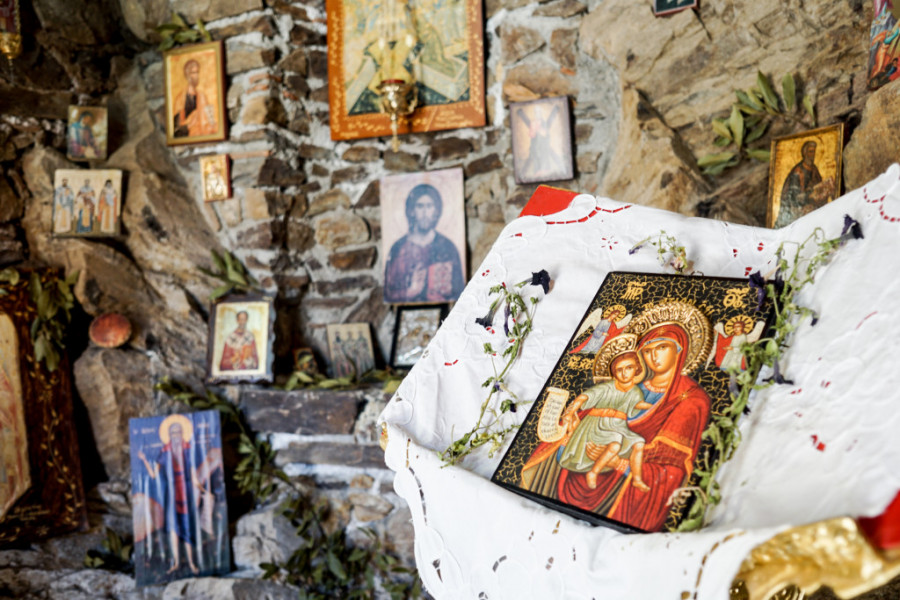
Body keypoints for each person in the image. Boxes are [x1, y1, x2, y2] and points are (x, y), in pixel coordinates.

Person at [521, 306, 712, 532]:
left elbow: (673, 467)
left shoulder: (690, 398)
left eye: (663, 347)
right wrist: (572, 426)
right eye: (648, 350)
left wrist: (618, 463)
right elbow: (593, 409)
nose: (655, 356)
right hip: (587, 463)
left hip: (624, 488)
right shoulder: (629, 386)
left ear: (680, 350)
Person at [556, 349, 654, 492]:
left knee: (639, 443)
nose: (624, 373)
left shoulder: (635, 392)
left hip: (619, 426)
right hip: (597, 424)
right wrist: (570, 411)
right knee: (615, 444)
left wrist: (658, 404)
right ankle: (594, 472)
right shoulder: (606, 387)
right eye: (619, 369)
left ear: (637, 369)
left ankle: (637, 479)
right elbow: (584, 397)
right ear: (614, 372)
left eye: (629, 368)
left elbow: (638, 404)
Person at [138, 419, 201, 575]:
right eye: (173, 433)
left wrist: (201, 488)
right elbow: (153, 475)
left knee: (186, 526)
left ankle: (192, 563)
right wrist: (145, 460)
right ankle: (176, 563)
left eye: (179, 432)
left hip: (185, 491)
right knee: (173, 527)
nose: (176, 436)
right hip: (172, 492)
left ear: (182, 433)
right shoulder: (164, 452)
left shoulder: (188, 449)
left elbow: (193, 476)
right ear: (169, 435)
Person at [384, 183, 464, 303]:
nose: (425, 212)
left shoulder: (448, 247)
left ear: (436, 211)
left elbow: (458, 291)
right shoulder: (398, 248)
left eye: (429, 206)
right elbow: (388, 293)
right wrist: (410, 292)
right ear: (411, 211)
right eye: (420, 206)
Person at [774, 141, 835, 228]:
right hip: (796, 210)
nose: (812, 154)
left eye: (814, 151)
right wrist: (809, 195)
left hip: (812, 206)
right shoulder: (798, 172)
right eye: (810, 151)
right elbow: (794, 197)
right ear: (804, 153)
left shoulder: (815, 170)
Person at [172, 59, 218, 138]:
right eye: (194, 73)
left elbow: (207, 120)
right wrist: (190, 124)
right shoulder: (180, 99)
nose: (197, 76)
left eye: (197, 72)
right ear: (188, 75)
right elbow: (177, 128)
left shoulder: (202, 96)